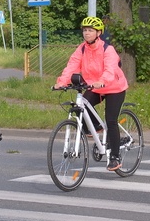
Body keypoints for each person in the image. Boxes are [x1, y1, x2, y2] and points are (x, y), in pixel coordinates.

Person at [55, 16, 129, 171]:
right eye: (84, 30)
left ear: (98, 32)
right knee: (80, 105)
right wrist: (61, 82)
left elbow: (110, 69)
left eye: (90, 30)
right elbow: (72, 66)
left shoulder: (107, 49)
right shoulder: (82, 48)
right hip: (94, 87)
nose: (86, 33)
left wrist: (102, 80)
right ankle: (96, 128)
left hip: (114, 86)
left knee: (111, 120)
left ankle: (115, 157)